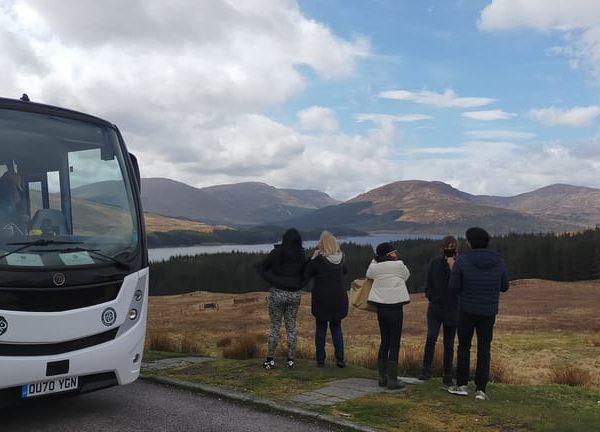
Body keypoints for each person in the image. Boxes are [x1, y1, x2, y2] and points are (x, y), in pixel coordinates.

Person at [447, 227, 509, 401]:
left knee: (464, 347)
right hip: (488, 311)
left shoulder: (462, 262)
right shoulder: (498, 260)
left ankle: (461, 385)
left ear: (470, 242)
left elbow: (453, 288)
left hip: (466, 310)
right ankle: (481, 390)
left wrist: (453, 269)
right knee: (484, 349)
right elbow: (504, 286)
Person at [256, 228, 307, 369]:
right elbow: (305, 274)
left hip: (277, 293)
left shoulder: (276, 253)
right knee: (291, 327)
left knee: (274, 326)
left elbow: (264, 266)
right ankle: (291, 360)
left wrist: (271, 278)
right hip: (294, 295)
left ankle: (270, 360)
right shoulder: (301, 255)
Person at [366, 242, 410, 390]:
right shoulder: (398, 265)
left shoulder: (374, 267)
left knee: (384, 341)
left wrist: (375, 259)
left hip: (381, 307)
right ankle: (393, 379)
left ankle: (382, 377)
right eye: (394, 252)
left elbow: (369, 274)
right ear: (389, 254)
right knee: (395, 342)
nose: (396, 254)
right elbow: (406, 275)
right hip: (396, 307)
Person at [418, 235, 459, 387]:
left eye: (453, 246)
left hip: (453, 308)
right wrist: (432, 298)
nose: (450, 249)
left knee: (449, 343)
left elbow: (461, 284)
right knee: (431, 337)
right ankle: (425, 370)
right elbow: (428, 284)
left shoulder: (460, 264)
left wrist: (452, 267)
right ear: (442, 248)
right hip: (436, 308)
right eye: (447, 246)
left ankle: (447, 374)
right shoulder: (435, 263)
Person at [304, 231, 348, 368]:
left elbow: (306, 274)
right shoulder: (342, 259)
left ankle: (320, 360)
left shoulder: (318, 261)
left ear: (322, 245)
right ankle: (340, 359)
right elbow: (345, 272)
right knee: (336, 328)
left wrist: (312, 258)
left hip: (321, 298)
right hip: (339, 298)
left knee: (321, 328)